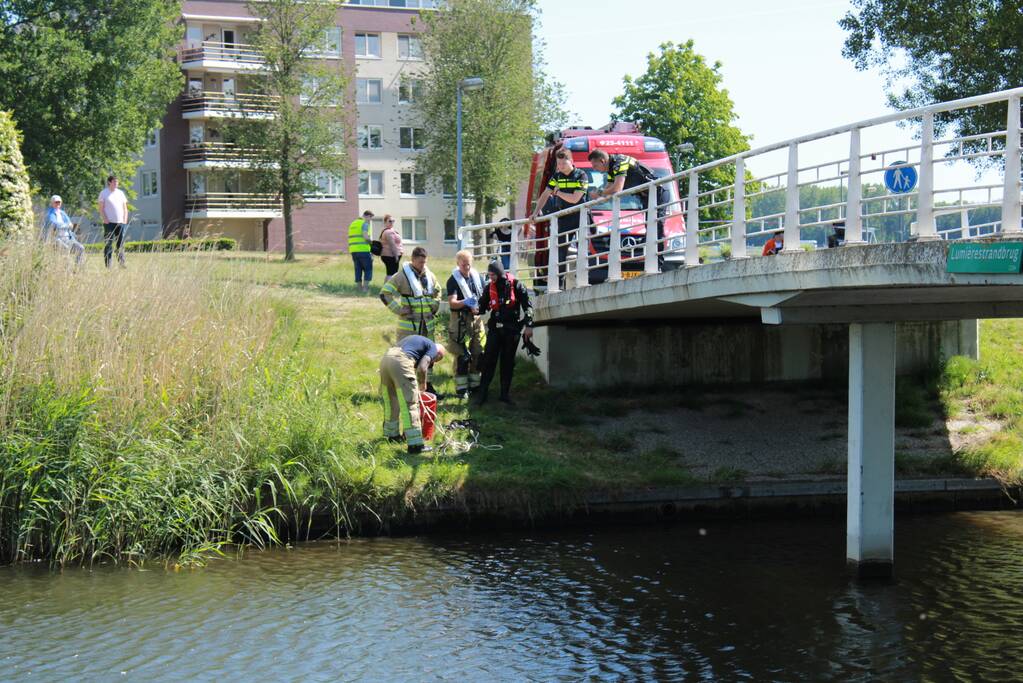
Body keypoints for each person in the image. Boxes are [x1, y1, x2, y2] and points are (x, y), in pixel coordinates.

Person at [588, 148, 669, 267]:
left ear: (602, 161)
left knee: (656, 226)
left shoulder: (619, 162)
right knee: (650, 226)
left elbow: (616, 189)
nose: (594, 168)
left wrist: (599, 193)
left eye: (595, 165)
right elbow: (609, 189)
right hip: (647, 196)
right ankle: (651, 262)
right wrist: (596, 198)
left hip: (658, 192)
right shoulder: (611, 168)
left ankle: (658, 264)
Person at [475, 260, 534, 406]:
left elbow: (528, 306)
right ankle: (482, 395)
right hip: (495, 329)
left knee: (507, 363)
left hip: (511, 330)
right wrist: (473, 308)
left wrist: (529, 326)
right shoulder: (489, 288)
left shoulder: (517, 285)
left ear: (500, 273)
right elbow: (482, 307)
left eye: (493, 274)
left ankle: (504, 395)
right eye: (489, 275)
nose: (491, 278)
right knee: (488, 361)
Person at [379, 334, 446, 454]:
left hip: (386, 358)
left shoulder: (417, 341)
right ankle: (415, 445)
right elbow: (422, 368)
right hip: (401, 360)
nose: (433, 362)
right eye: (435, 360)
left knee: (391, 400)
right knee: (410, 403)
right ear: (438, 353)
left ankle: (392, 436)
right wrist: (422, 385)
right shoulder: (433, 348)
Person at [531, 150, 588, 282]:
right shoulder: (557, 176)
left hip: (581, 216)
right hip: (564, 216)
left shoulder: (582, 175)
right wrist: (535, 212)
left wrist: (558, 193)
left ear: (571, 162)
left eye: (564, 163)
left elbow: (575, 199)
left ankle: (583, 278)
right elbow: (545, 194)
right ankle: (558, 281)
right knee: (560, 249)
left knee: (583, 248)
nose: (561, 166)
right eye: (559, 163)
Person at [446, 249, 486, 398]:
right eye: (463, 265)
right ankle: (462, 389)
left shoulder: (477, 277)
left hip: (476, 320)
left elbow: (484, 296)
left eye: (468, 265)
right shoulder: (453, 280)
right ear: (458, 264)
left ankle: (475, 385)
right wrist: (465, 302)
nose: (466, 268)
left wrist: (480, 306)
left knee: (479, 352)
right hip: (460, 321)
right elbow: (452, 303)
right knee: (461, 355)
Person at [379, 246, 440, 341]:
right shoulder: (401, 276)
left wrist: (435, 304)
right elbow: (384, 294)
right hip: (409, 331)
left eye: (424, 262)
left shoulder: (430, 276)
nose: (423, 265)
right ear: (412, 260)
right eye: (420, 262)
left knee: (429, 354)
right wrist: (398, 310)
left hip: (428, 329)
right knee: (407, 355)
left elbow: (438, 290)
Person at [42, 195, 85, 266]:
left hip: (68, 237)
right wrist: (66, 225)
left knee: (81, 248)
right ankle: (65, 269)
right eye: (56, 202)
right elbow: (54, 224)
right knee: (66, 249)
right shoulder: (50, 213)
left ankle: (77, 268)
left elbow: (70, 224)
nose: (58, 204)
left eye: (59, 202)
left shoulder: (62, 213)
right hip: (56, 239)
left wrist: (65, 225)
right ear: (52, 203)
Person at [97, 175, 128, 269]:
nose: (116, 183)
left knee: (120, 244)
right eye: (114, 182)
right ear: (109, 182)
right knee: (109, 244)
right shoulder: (104, 193)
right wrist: (105, 219)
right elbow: (101, 208)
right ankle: (108, 265)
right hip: (109, 223)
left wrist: (125, 220)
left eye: (117, 182)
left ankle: (121, 263)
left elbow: (125, 209)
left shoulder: (121, 193)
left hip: (120, 223)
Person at [348, 210, 374, 292]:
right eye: (370, 218)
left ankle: (359, 289)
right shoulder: (364, 224)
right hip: (363, 250)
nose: (370, 220)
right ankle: (365, 289)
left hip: (353, 251)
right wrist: (372, 244)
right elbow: (365, 237)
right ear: (367, 216)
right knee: (368, 269)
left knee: (358, 269)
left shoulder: (353, 224)